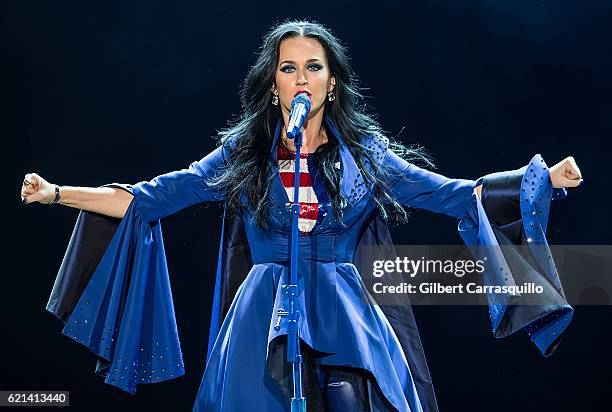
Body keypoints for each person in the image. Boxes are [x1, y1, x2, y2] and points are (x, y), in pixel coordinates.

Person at [21, 20, 582, 412]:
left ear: (331, 83)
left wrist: (543, 181)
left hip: (344, 313)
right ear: (275, 86)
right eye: (289, 69)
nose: (302, 78)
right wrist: (56, 194)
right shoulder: (244, 153)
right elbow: (150, 197)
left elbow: (458, 195)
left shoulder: (366, 155)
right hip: (262, 317)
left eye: (314, 67)